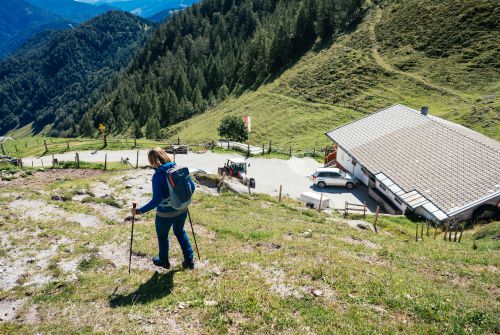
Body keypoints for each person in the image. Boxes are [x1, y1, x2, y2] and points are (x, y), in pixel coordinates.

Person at [131, 147, 195, 270]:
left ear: (152, 161)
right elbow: (192, 187)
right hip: (182, 209)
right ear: (164, 155)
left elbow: (156, 200)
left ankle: (164, 261)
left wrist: (139, 211)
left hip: (165, 214)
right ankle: (189, 261)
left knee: (162, 236)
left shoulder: (158, 176)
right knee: (180, 232)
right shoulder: (178, 168)